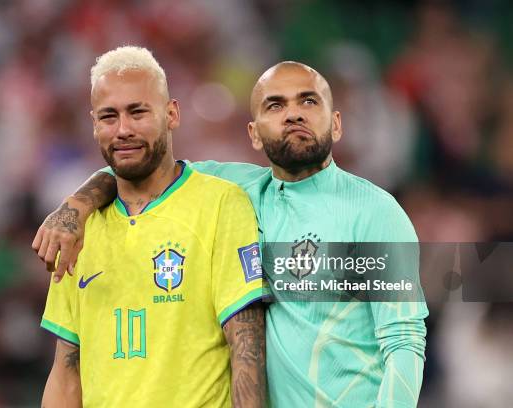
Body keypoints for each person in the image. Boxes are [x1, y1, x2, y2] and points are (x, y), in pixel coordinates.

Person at [34, 60, 428, 407]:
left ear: (336, 123)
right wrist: (76, 207)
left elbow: (404, 341)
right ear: (254, 134)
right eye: (276, 105)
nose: (293, 115)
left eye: (308, 101)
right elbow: (133, 167)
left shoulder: (374, 213)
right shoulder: (239, 192)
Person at [40, 46, 266, 408]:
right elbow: (67, 367)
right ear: (94, 124)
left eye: (138, 112)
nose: (123, 129)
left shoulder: (221, 203)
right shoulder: (76, 230)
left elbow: (247, 348)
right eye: (109, 117)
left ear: (171, 113)